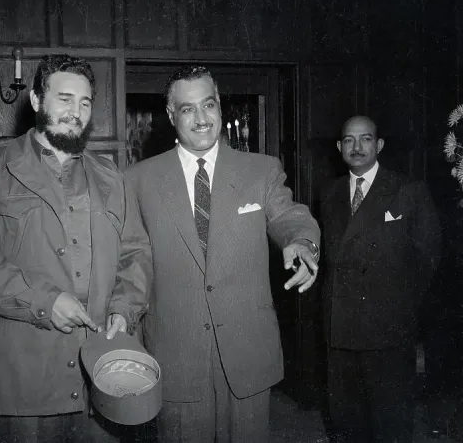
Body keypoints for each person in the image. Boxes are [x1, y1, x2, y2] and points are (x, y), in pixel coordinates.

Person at [0, 54, 152, 443]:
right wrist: (44, 301)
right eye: (64, 98)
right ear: (36, 100)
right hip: (21, 379)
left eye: (85, 102)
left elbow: (135, 254)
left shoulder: (111, 175)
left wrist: (124, 309)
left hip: (102, 374)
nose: (76, 112)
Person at [125, 65, 321, 442]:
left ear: (219, 105)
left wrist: (301, 241)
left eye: (208, 104)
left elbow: (288, 215)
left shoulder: (260, 169)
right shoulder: (138, 180)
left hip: (247, 352)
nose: (201, 118)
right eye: (188, 109)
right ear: (170, 115)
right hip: (175, 353)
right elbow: (133, 262)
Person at [319, 115, 442, 442]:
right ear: (339, 146)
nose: (357, 147)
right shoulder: (329, 193)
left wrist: (397, 306)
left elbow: (428, 258)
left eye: (366, 139)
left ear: (380, 145)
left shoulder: (407, 190)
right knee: (347, 421)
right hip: (341, 328)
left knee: (391, 422)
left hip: (389, 329)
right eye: (349, 140)